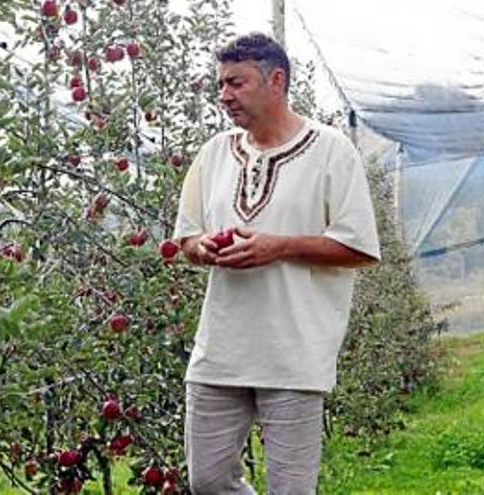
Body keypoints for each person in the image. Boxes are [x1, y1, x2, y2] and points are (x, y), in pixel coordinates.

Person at [172, 32, 381, 494]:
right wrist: (202, 247)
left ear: (277, 80)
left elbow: (361, 248)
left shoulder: (330, 150)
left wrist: (278, 247)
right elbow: (185, 238)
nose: (224, 95)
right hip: (220, 352)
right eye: (221, 84)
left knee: (291, 489)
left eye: (236, 83)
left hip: (295, 353)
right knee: (207, 481)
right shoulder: (214, 153)